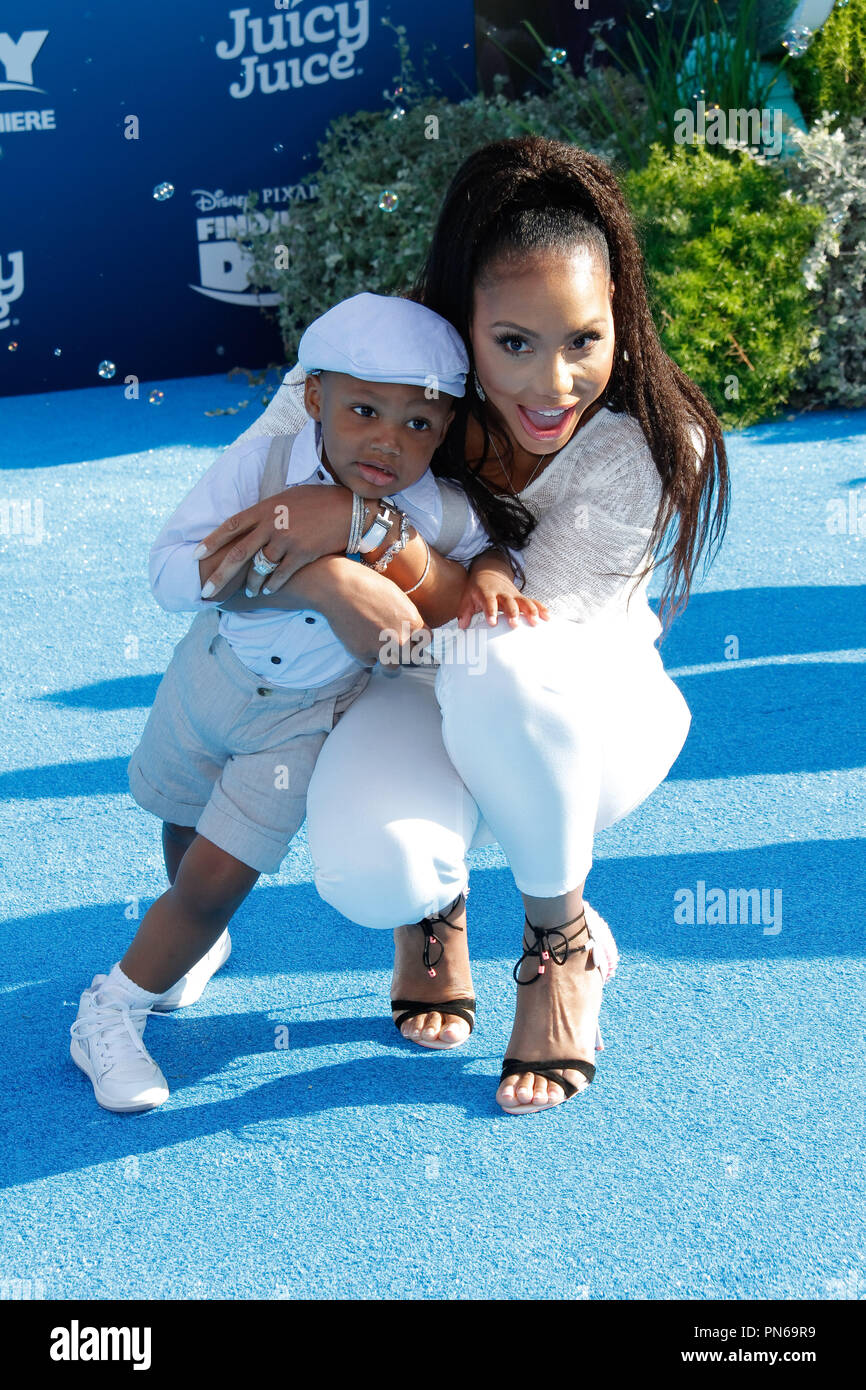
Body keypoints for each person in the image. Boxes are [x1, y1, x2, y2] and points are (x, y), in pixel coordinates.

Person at [186, 136, 731, 1116]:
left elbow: (509, 630)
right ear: (461, 325)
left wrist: (356, 532)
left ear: (619, 319)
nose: (551, 383)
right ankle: (437, 900)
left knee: (494, 658)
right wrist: (304, 547)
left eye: (582, 340)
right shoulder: (368, 370)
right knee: (371, 876)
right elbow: (237, 532)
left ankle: (558, 939)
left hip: (581, 713)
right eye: (511, 342)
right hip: (407, 681)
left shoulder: (650, 445)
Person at [70, 292, 548, 1114]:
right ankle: (185, 951)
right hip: (207, 678)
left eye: (420, 424)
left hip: (301, 724)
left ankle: (111, 1007)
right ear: (316, 397)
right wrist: (322, 580)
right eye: (364, 409)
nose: (388, 442)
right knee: (181, 822)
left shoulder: (429, 511)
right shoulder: (258, 467)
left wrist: (499, 575)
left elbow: (480, 556)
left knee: (215, 880)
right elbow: (169, 575)